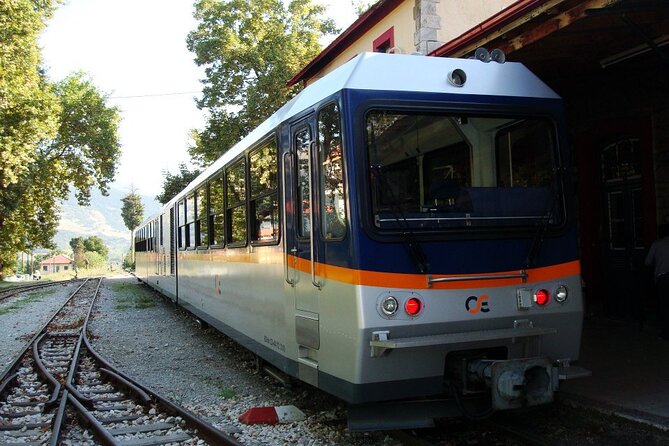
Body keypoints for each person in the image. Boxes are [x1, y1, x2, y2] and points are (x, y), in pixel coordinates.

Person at [645, 223, 669, 340]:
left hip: (663, 277)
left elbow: (648, 261)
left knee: (664, 305)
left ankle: (665, 332)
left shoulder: (657, 244)